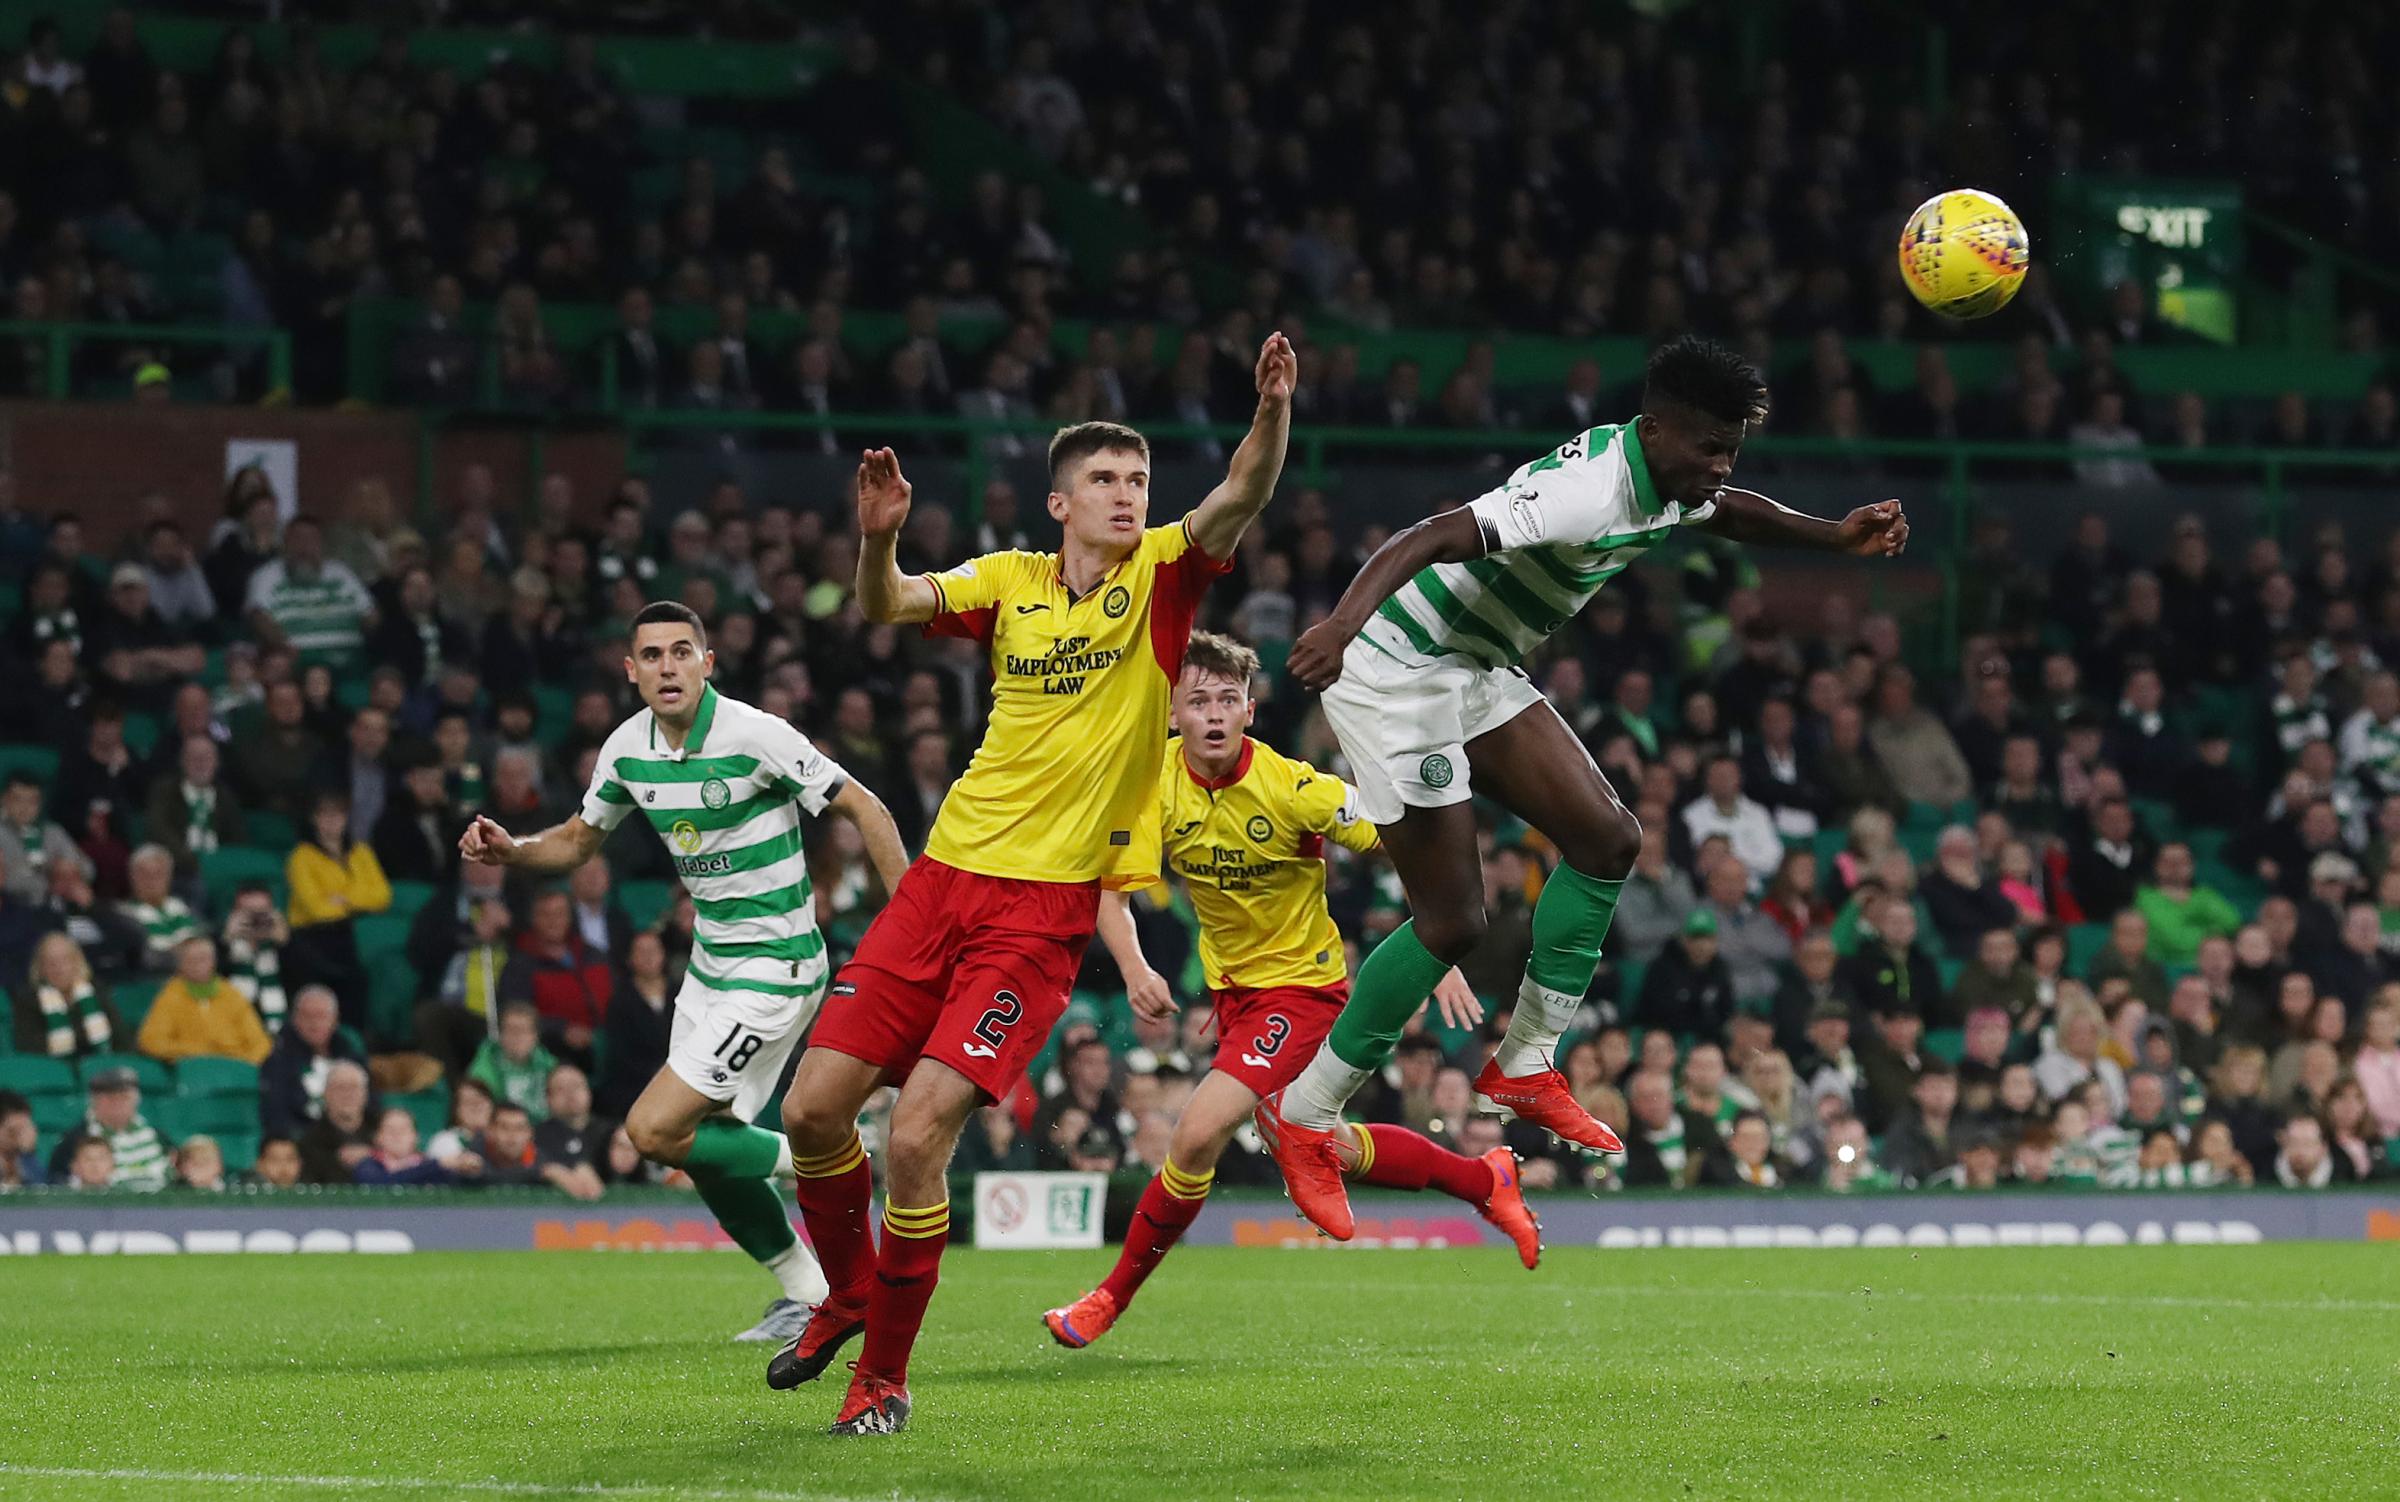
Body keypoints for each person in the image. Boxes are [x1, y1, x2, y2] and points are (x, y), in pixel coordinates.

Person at [1257, 336, 1909, 1240]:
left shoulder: (1672, 478)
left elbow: (1727, 512)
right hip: (1398, 663)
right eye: (1708, 449)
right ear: (1653, 430)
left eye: (1731, 449)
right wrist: (1338, 625)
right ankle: (1304, 1115)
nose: (1719, 468)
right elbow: (1433, 533)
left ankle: (1526, 1061)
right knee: (1455, 920)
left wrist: (1831, 535)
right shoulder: (1585, 491)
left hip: (1476, 661)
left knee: (1608, 838)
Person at [770, 338, 1292, 1435]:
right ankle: (850, 1296)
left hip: (1041, 913)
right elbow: (888, 604)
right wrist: (878, 538)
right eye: (1105, 480)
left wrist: (1271, 410)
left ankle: (885, 1376)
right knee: (813, 1109)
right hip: (943, 879)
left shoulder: (1162, 575)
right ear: (1060, 500)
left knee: (914, 1138)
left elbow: (1241, 490)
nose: (1126, 496)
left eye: (1138, 480)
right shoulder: (1010, 580)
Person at [1041, 634, 1513, 1348]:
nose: (1213, 715)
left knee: (1196, 1135)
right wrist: (1137, 971)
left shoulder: (1296, 788)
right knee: (1329, 1143)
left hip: (1302, 994)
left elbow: (1406, 842)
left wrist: (1436, 943)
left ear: (1250, 711)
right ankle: (1484, 1180)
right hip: (1234, 1002)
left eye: (1228, 700)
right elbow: (1110, 893)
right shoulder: (1150, 785)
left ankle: (1108, 1299)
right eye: (1198, 701)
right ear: (1172, 716)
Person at [460, 600, 910, 1348]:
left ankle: (842, 1160)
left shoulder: (754, 733)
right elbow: (576, 843)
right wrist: (514, 852)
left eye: (681, 652)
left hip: (778, 966)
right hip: (711, 970)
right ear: (630, 672)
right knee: (704, 1151)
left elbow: (865, 808)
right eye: (652, 656)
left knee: (654, 1129)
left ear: (708, 663)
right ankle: (813, 1293)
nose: (668, 667)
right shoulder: (626, 750)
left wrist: (908, 931)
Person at [285, 788, 393, 1030]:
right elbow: (316, 908)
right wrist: (360, 900)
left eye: (337, 815)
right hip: (312, 939)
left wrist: (345, 900)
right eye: (325, 815)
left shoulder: (361, 852)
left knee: (360, 981)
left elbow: (383, 896)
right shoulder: (301, 857)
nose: (331, 821)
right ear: (314, 819)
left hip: (350, 935)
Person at [136, 935, 272, 1066]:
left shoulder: (231, 994)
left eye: (203, 959)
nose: (198, 965)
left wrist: (246, 1064)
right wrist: (194, 1052)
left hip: (236, 1065)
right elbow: (151, 1041)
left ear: (214, 961)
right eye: (192, 960)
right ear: (180, 964)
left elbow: (260, 1042)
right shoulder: (170, 996)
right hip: (193, 1066)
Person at [261, 984, 364, 1138]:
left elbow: (370, 1104)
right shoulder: (279, 1062)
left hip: (353, 1138)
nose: (314, 1024)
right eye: (307, 1016)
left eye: (321, 1016)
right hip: (306, 1142)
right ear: (294, 1019)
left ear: (335, 1020)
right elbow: (278, 1117)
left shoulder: (351, 1056)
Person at [49, 1066, 171, 1191]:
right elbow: (58, 1184)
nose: (118, 1105)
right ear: (94, 1101)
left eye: (124, 1097)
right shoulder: (75, 1140)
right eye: (110, 1099)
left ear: (136, 1099)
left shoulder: (156, 1135)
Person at [13, 931, 125, 1057]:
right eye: (50, 963)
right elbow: (30, 1046)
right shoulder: (28, 999)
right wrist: (84, 1033)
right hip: (53, 1070)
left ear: (77, 963)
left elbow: (119, 1036)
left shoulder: (96, 991)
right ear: (40, 969)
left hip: (100, 1066)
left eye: (65, 961)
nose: (58, 969)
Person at [298, 1059, 376, 1184]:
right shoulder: (310, 1140)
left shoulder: (382, 1131)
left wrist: (373, 1155)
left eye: (353, 1087)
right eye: (340, 1088)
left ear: (365, 1094)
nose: (347, 1095)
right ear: (326, 1094)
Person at [353, 1105, 455, 1186]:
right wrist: (436, 1165)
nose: (397, 1134)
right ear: (378, 1137)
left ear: (416, 1137)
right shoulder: (367, 1166)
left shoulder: (434, 1170)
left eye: (404, 1129)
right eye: (390, 1129)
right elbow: (379, 1183)